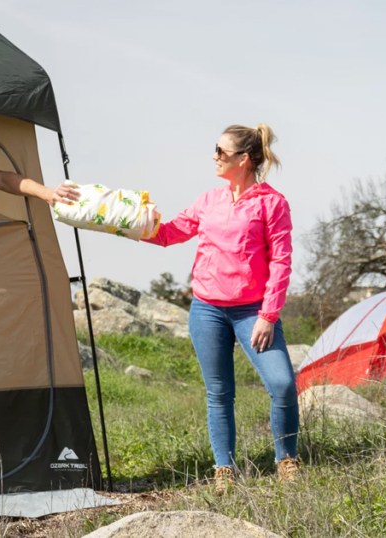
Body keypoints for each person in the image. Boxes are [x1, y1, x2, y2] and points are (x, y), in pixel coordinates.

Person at [142, 124, 298, 493]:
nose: (214, 157)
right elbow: (168, 234)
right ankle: (224, 468)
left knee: (283, 384)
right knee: (219, 392)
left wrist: (267, 315)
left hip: (252, 312)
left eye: (220, 152)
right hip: (207, 310)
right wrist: (135, 221)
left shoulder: (272, 203)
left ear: (243, 159)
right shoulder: (208, 200)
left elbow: (282, 262)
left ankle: (286, 459)